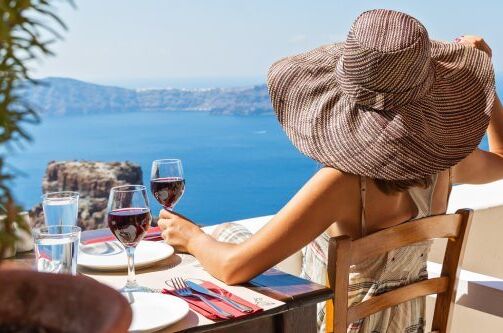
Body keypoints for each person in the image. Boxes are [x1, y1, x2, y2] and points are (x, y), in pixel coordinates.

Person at [158, 9, 501, 332]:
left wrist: (192, 237)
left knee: (222, 243)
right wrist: (487, 85)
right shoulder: (447, 164)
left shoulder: (343, 183)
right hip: (408, 324)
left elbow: (234, 268)